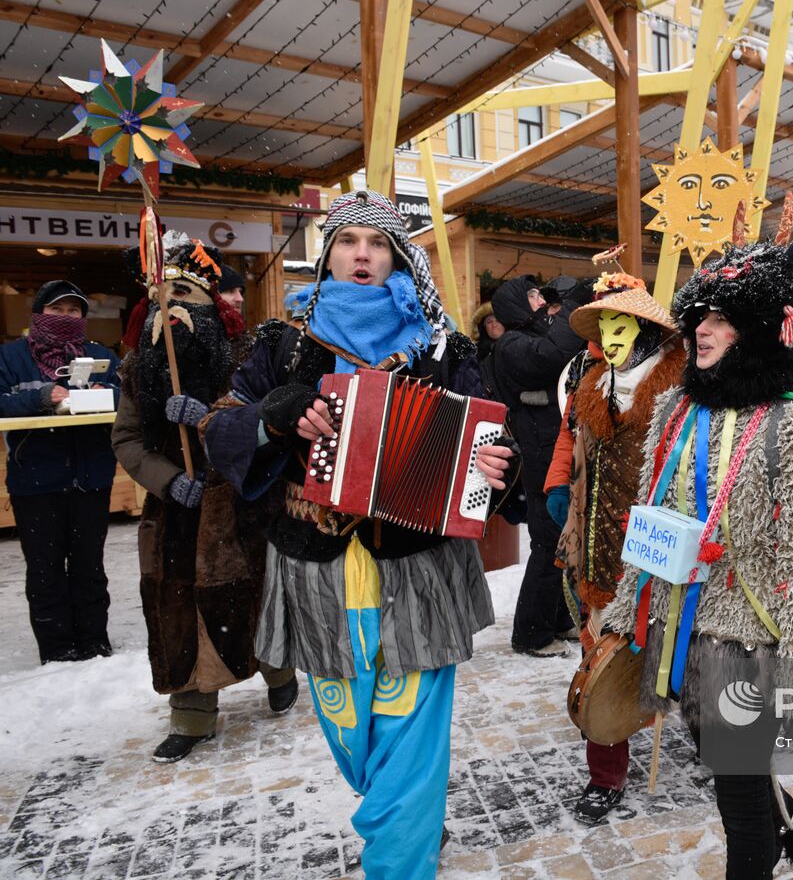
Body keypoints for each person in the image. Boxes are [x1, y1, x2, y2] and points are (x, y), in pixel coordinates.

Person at [204, 190, 516, 879]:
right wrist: (271, 418)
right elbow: (218, 431)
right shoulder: (284, 346)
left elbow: (495, 441)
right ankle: (405, 818)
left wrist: (500, 464)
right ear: (329, 257)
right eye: (349, 242)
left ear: (399, 256)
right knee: (351, 730)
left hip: (421, 570)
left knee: (411, 736)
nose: (364, 254)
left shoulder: (440, 347)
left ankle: (400, 852)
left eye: (379, 243)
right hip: (317, 570)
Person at [601, 230, 793, 879]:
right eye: (698, 319)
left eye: (720, 320)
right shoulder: (675, 408)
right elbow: (652, 520)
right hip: (679, 626)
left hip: (747, 639)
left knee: (735, 800)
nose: (702, 332)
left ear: (756, 330)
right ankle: (778, 808)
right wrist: (629, 605)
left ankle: (762, 839)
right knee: (723, 762)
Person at [111, 233, 297, 763]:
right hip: (175, 514)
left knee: (251, 601)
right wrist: (170, 480)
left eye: (185, 295)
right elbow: (126, 440)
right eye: (161, 298)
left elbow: (270, 421)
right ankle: (192, 713)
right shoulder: (137, 367)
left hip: (242, 507)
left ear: (211, 306)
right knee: (178, 609)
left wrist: (216, 420)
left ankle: (278, 671)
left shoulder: (246, 359)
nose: (172, 310)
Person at [544, 270, 685, 824]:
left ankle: (723, 752)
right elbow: (567, 437)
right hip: (600, 550)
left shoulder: (683, 389)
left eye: (620, 324)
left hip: (664, 554)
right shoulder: (590, 384)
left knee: (680, 659)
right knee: (601, 661)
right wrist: (558, 486)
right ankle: (605, 773)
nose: (611, 337)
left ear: (648, 330)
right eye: (604, 325)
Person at [0, 280, 121, 663]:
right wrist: (40, 398)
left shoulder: (100, 355)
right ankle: (57, 650)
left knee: (89, 565)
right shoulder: (10, 357)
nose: (65, 317)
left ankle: (94, 642)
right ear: (39, 313)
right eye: (56, 309)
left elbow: (125, 398)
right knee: (45, 568)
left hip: (91, 477)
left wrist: (99, 395)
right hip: (35, 479)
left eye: (74, 311)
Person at [486, 274, 591, 657]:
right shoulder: (512, 344)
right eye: (532, 295)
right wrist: (576, 306)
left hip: (550, 449)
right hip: (538, 456)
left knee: (561, 537)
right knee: (547, 540)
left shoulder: (528, 337)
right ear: (515, 304)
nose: (540, 301)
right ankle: (530, 633)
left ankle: (557, 618)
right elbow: (552, 354)